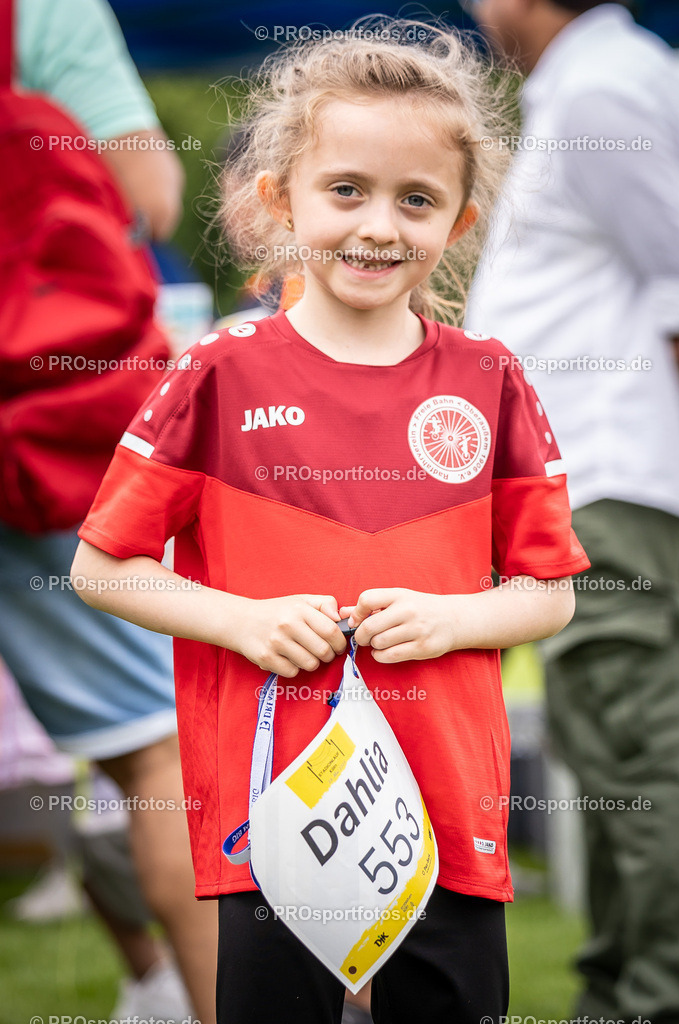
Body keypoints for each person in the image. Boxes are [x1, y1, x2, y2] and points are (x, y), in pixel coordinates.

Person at [70, 19, 589, 1024]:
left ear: (460, 220)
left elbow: (547, 591)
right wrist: (240, 620)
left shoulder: (489, 382)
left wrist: (450, 620)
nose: (378, 226)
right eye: (345, 189)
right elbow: (105, 566)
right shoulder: (216, 374)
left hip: (445, 819)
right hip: (274, 816)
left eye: (417, 200)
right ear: (278, 200)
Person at [465, 2, 679, 1021]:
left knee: (641, 762)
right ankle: (621, 990)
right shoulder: (584, 85)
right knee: (611, 761)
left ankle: (651, 997)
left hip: (610, 487)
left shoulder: (601, 86)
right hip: (583, 494)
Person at [0, 1, 217, 1019]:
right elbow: (150, 192)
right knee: (154, 750)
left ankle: (149, 987)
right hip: (31, 429)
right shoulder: (41, 10)